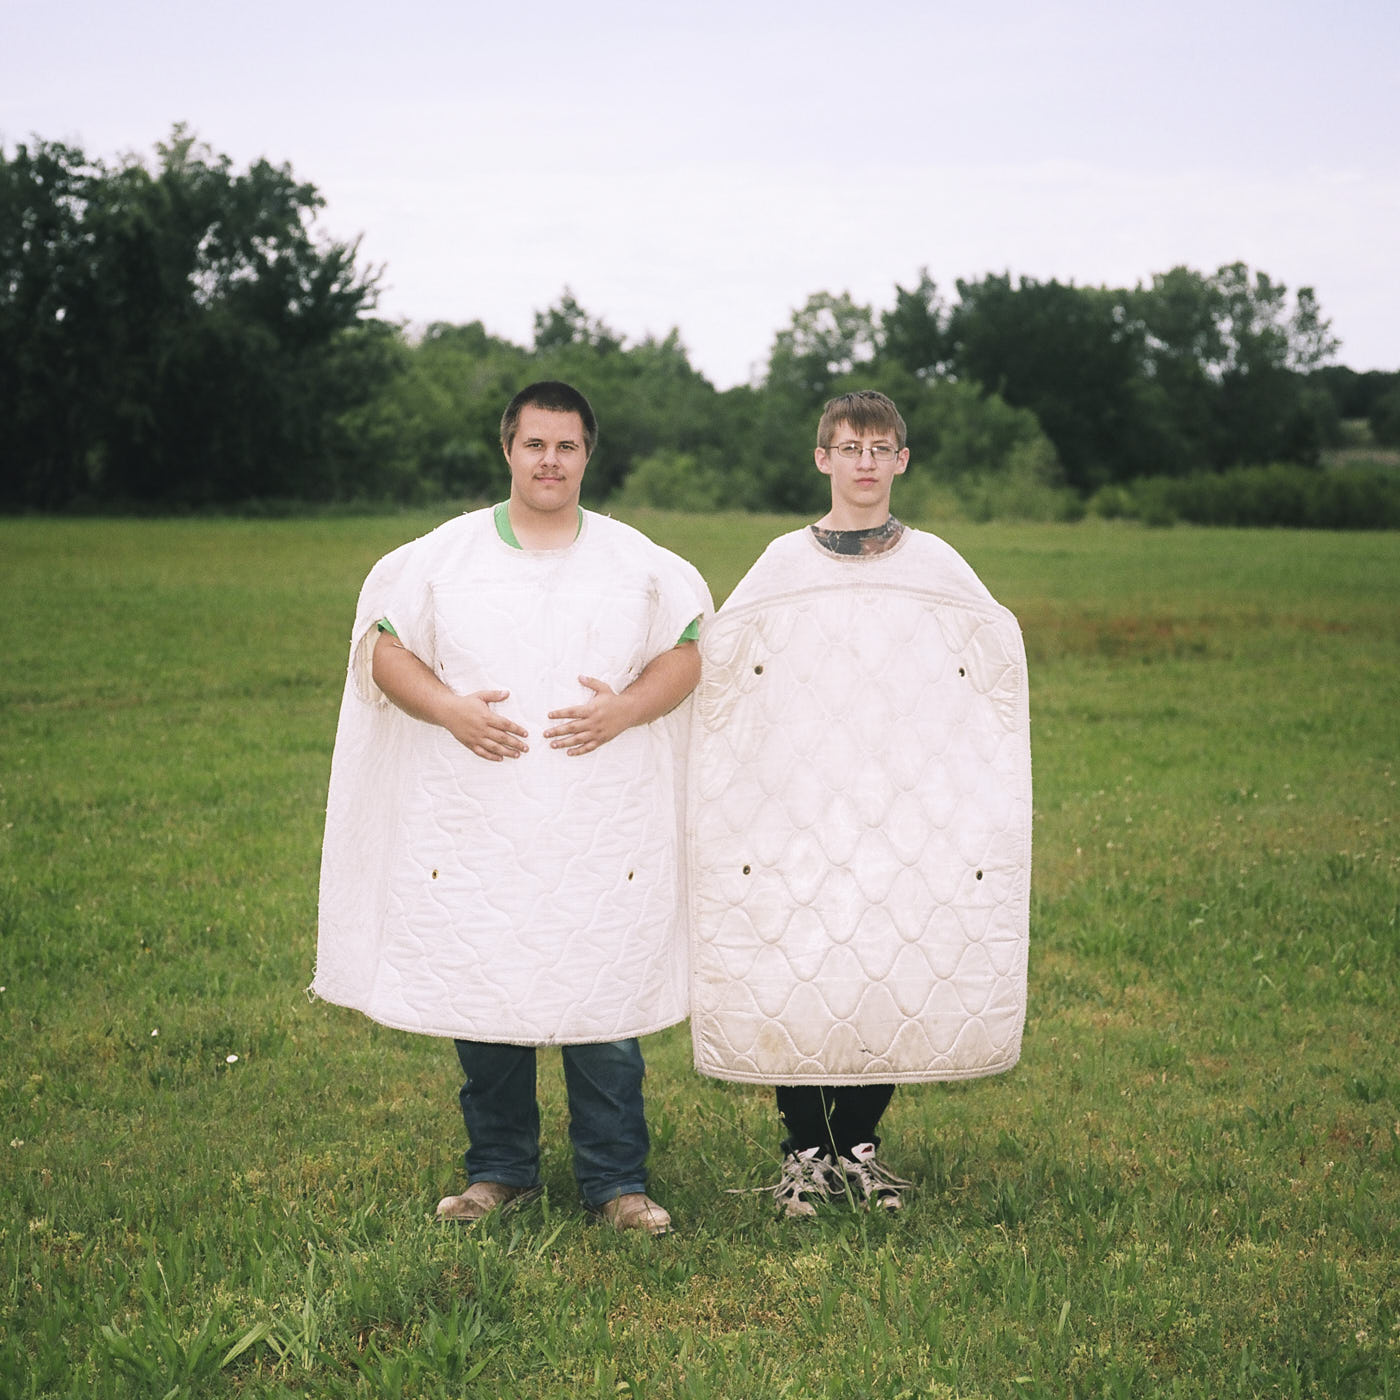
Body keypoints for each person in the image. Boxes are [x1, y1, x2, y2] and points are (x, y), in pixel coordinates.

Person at [315, 381, 711, 1235]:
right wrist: (451, 709)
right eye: (536, 444)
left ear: (587, 456)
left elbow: (688, 652)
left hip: (597, 821)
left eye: (567, 447)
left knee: (600, 985)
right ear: (508, 449)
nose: (550, 461)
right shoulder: (443, 557)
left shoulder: (635, 562)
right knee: (485, 980)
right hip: (480, 818)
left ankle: (616, 1182)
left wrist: (624, 710)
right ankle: (499, 1170)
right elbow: (381, 649)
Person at [687, 390, 1031, 1217]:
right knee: (803, 962)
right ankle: (804, 1149)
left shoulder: (937, 565)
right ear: (824, 459)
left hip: (899, 805)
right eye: (850, 447)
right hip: (801, 805)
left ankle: (859, 1144)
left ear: (902, 461)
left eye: (881, 448)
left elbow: (988, 660)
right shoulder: (781, 563)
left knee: (887, 959)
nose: (866, 462)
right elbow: (729, 661)